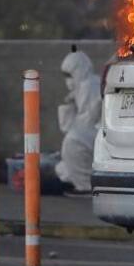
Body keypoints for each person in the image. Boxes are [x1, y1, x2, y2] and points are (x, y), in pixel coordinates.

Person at [55, 47, 102, 195]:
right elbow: (67, 126)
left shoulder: (90, 85)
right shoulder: (81, 88)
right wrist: (68, 105)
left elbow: (85, 122)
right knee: (62, 169)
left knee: (73, 142)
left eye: (70, 74)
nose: (68, 80)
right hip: (92, 134)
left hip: (99, 134)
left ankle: (86, 187)